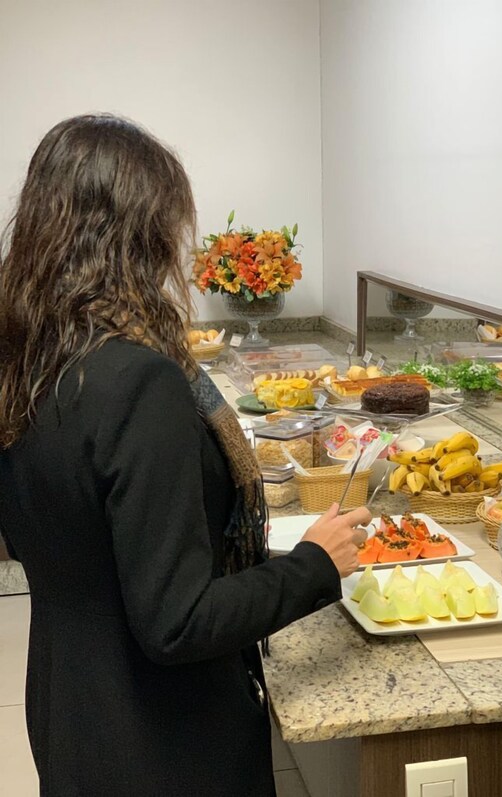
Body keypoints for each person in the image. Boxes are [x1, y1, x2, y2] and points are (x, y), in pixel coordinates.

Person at [0, 115, 371, 797]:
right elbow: (178, 620)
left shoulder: (28, 366)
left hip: (68, 706)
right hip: (161, 741)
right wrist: (315, 564)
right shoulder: (139, 382)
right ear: (137, 237)